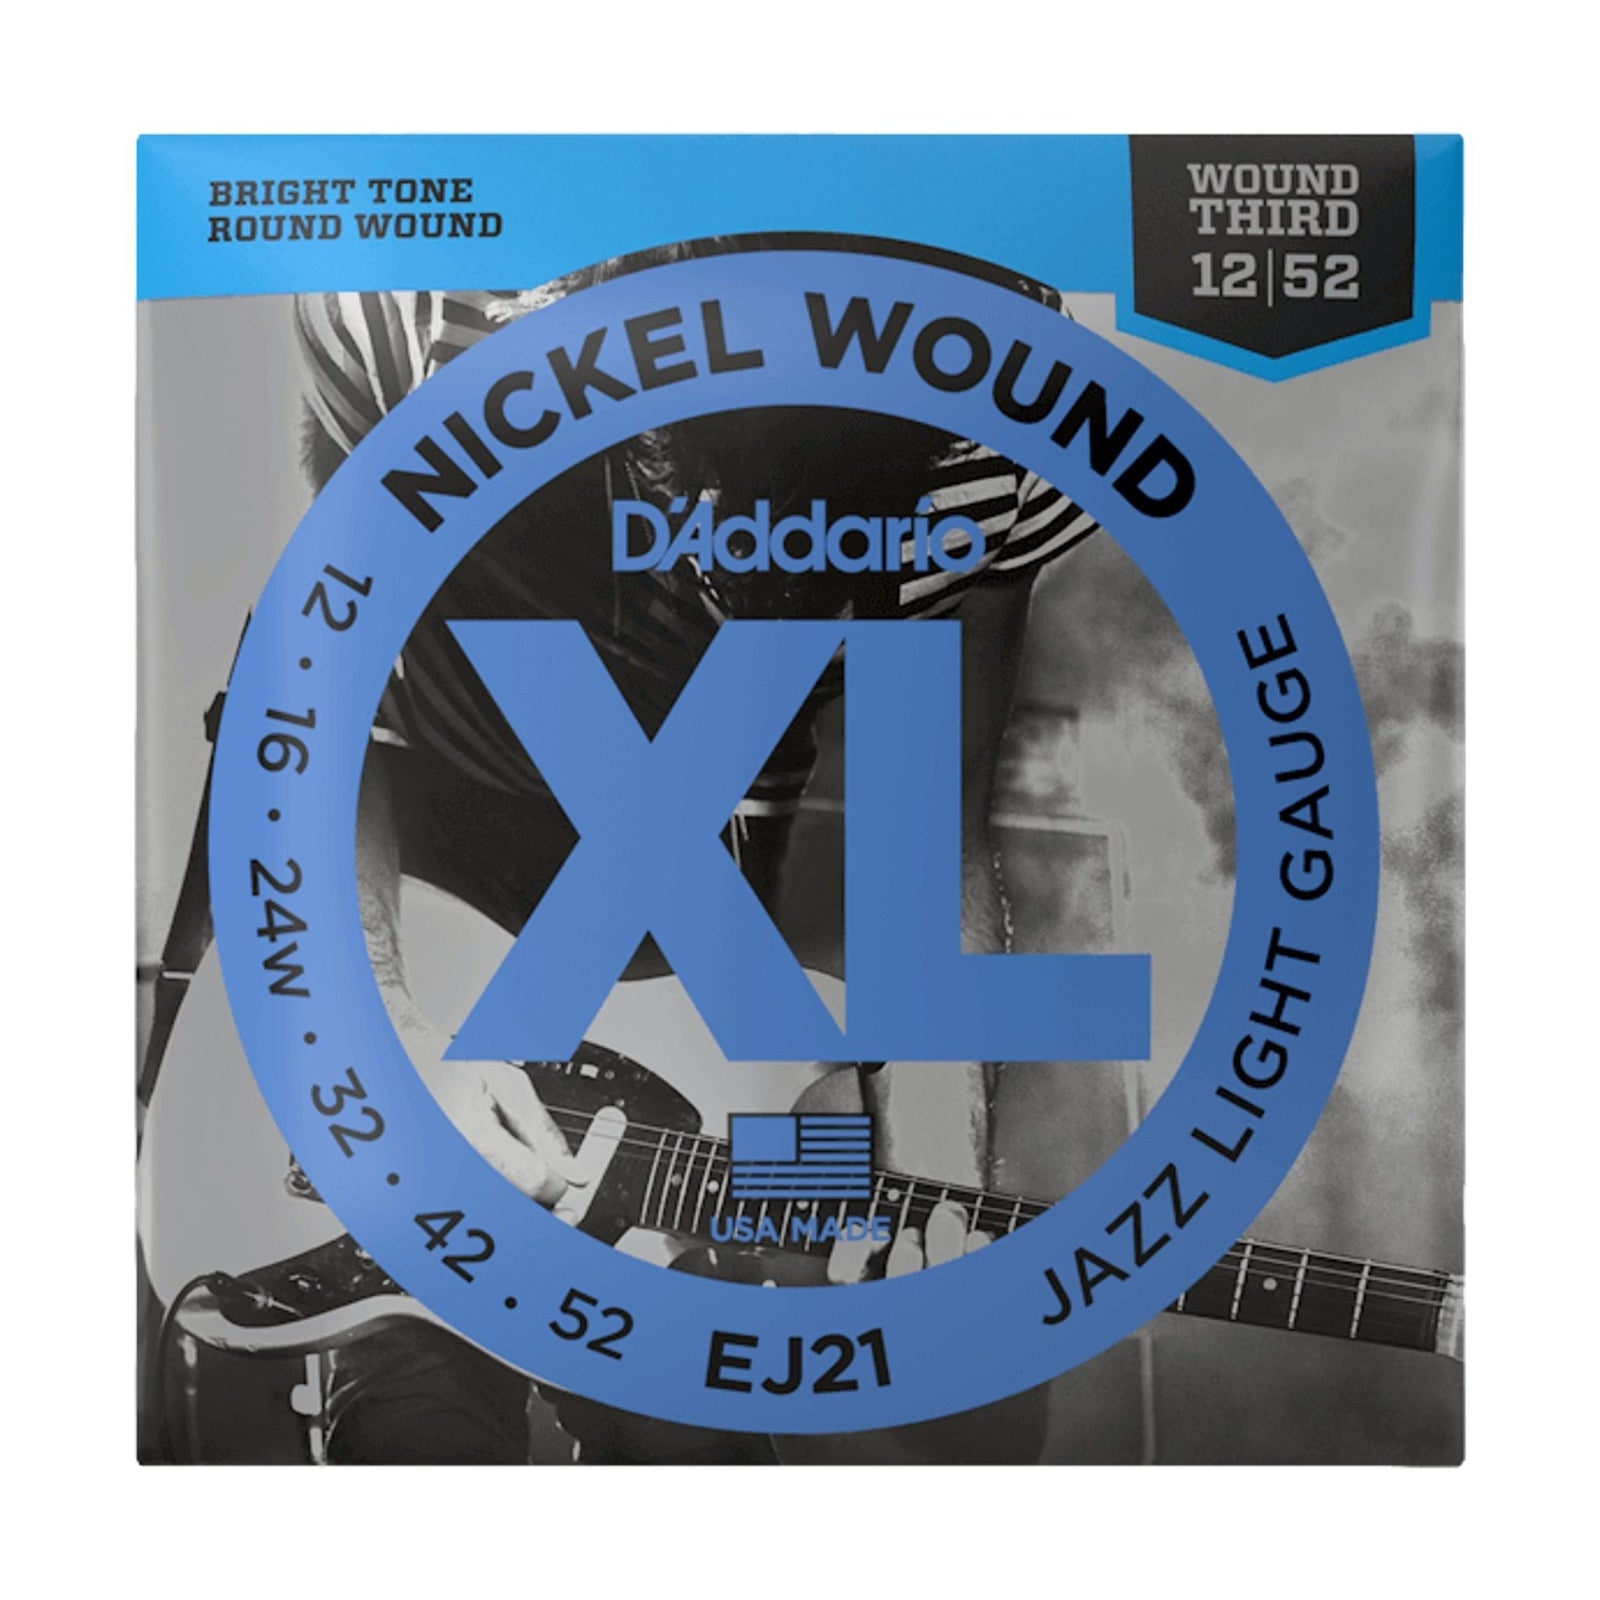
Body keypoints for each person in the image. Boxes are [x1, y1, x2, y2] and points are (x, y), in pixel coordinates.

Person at [293, 235, 1099, 1462]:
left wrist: (934, 1164)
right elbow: (306, 707)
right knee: (420, 1438)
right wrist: (378, 1040)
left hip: (692, 950)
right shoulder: (413, 298)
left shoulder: (1003, 403)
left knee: (742, 1448)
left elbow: (927, 814)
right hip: (416, 862)